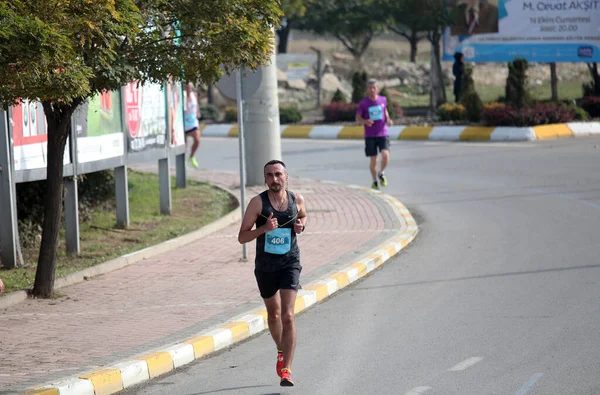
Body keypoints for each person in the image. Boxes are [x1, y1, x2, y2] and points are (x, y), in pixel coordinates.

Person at [238, 160, 307, 386]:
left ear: (286, 176)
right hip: (266, 266)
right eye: (270, 175)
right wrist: (264, 229)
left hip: (290, 263)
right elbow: (242, 237)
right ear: (265, 179)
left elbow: (303, 216)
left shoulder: (297, 199)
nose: (274, 179)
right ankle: (280, 349)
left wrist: (301, 226)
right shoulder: (258, 203)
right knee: (274, 315)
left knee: (288, 315)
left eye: (278, 174)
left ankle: (286, 369)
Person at [355, 79, 393, 190]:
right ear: (367, 90)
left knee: (385, 155)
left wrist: (388, 119)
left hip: (382, 133)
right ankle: (374, 181)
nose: (372, 90)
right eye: (370, 88)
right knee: (374, 159)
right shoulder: (363, 103)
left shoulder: (383, 99)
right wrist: (365, 121)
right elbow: (358, 118)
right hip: (370, 135)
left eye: (374, 88)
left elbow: (385, 111)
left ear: (378, 89)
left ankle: (381, 173)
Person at [184, 82, 201, 168]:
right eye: (186, 88)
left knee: (197, 139)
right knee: (184, 144)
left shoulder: (194, 95)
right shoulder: (182, 96)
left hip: (193, 120)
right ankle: (183, 160)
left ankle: (192, 156)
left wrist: (198, 112)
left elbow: (196, 104)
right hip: (184, 121)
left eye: (189, 88)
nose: (188, 89)